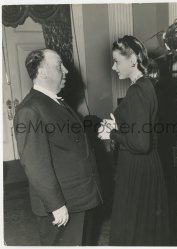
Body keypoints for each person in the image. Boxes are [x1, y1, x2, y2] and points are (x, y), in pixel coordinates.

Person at [14, 48, 102, 246]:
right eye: (59, 66)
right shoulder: (30, 110)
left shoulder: (56, 101)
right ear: (42, 71)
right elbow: (35, 165)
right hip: (63, 204)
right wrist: (56, 204)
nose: (66, 71)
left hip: (80, 197)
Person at [98, 35, 169, 246]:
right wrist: (118, 124)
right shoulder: (146, 85)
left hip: (137, 167)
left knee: (132, 231)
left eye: (116, 61)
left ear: (133, 60)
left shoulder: (137, 90)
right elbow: (139, 127)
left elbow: (140, 143)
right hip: (147, 166)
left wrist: (110, 134)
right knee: (144, 229)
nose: (113, 67)